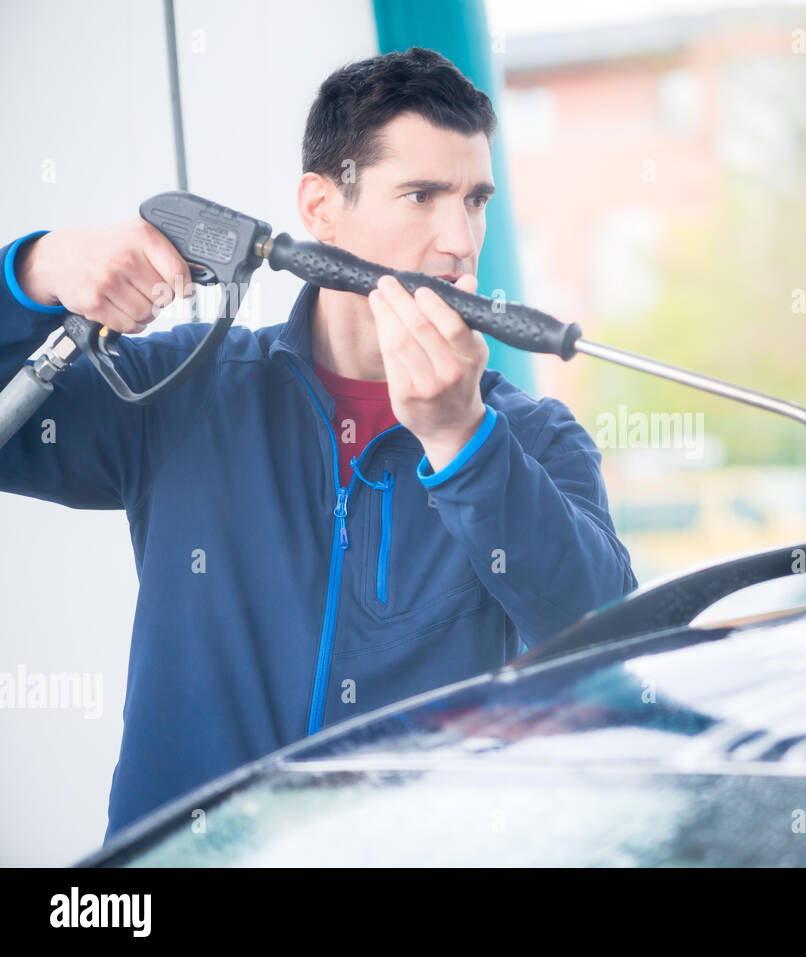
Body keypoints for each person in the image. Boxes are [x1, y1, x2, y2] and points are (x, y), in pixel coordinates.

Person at [0, 47, 637, 842]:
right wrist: (33, 268)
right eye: (421, 195)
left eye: (475, 200)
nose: (459, 241)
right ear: (319, 207)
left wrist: (464, 443)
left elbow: (611, 644)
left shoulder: (535, 440)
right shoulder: (182, 389)